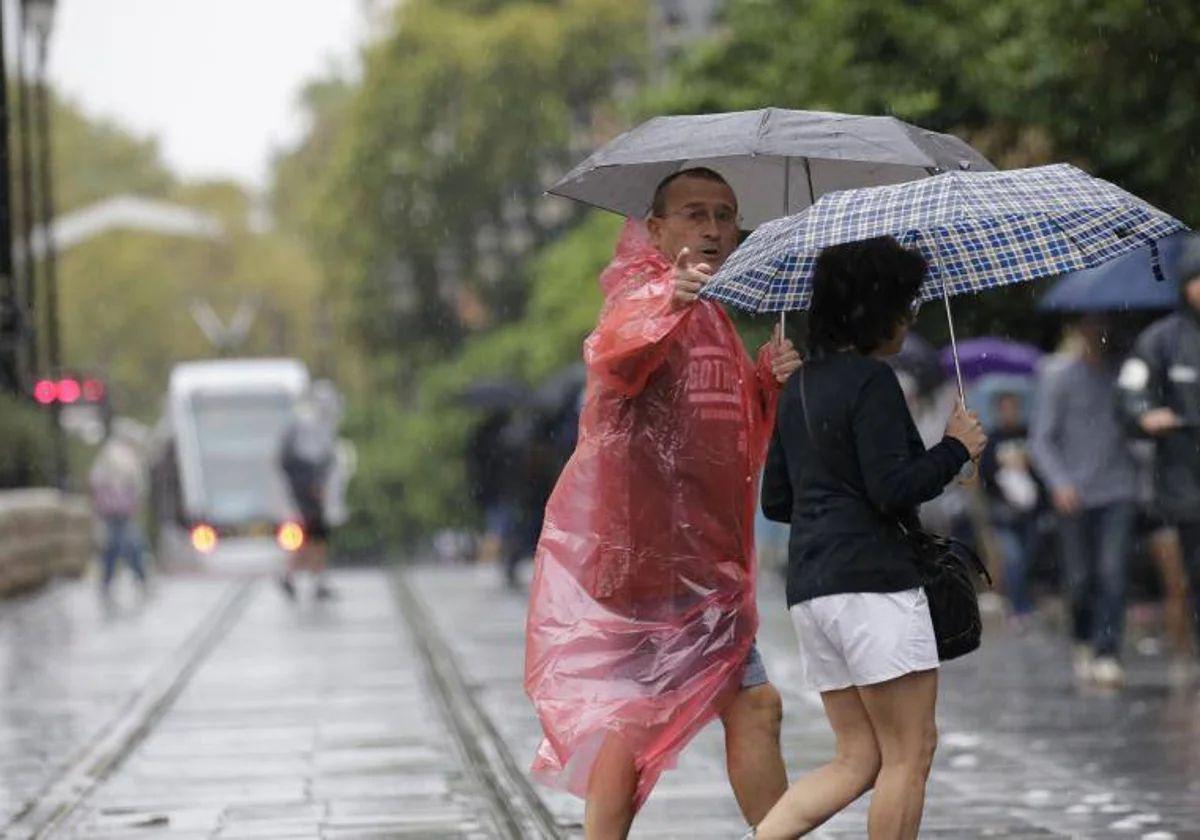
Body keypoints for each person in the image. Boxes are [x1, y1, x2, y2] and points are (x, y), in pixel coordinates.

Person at [524, 168, 801, 839]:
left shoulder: (711, 312)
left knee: (731, 711)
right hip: (651, 563)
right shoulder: (644, 294)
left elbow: (723, 434)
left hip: (704, 569)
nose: (712, 228)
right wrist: (663, 304)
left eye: (726, 215)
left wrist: (764, 381)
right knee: (659, 720)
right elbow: (616, 360)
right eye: (694, 214)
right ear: (655, 228)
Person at [754, 236, 987, 840]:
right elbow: (893, 488)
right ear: (872, 309)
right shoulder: (871, 382)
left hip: (813, 591)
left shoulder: (798, 388)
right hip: (874, 588)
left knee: (857, 759)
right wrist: (956, 448)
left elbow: (778, 500)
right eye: (904, 303)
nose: (911, 316)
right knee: (910, 755)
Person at [1029, 316, 1138, 688]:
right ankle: (1083, 639)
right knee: (1079, 578)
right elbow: (1041, 439)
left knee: (1113, 572)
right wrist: (1059, 483)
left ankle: (1108, 650)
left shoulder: (1123, 376)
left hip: (1118, 489)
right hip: (1073, 494)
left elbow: (1136, 427)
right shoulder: (1059, 377)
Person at [1118, 235, 1200, 679]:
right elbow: (1130, 394)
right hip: (1181, 485)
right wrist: (1145, 415)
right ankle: (1184, 655)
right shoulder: (1162, 340)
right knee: (1183, 579)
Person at [979, 390, 1042, 628]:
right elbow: (985, 476)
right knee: (1013, 558)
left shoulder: (1030, 434)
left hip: (1030, 510)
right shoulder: (992, 440)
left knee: (1028, 557)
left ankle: (1023, 601)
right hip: (1003, 511)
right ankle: (1019, 606)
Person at [278, 385, 338, 600]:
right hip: (308, 490)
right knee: (313, 536)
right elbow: (307, 460)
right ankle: (301, 576)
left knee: (313, 536)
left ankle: (301, 576)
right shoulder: (307, 426)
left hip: (308, 489)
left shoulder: (316, 425)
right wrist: (313, 485)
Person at [89, 422, 150, 593]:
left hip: (112, 509)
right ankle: (138, 576)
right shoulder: (124, 457)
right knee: (127, 543)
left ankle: (109, 580)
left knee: (115, 545)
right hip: (120, 509)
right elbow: (136, 484)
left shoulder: (108, 455)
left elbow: (96, 482)